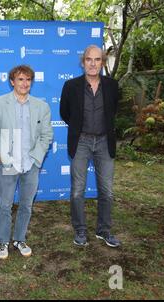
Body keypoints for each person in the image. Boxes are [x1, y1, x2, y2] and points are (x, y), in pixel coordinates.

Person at [0, 65, 53, 260]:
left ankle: (20, 238)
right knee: (5, 205)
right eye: (20, 79)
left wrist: (36, 158)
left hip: (31, 164)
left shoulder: (42, 106)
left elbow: (47, 135)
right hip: (8, 163)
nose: (24, 83)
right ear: (12, 81)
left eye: (28, 80)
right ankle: (3, 241)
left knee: (26, 205)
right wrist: (3, 156)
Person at [60, 45, 121, 248]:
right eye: (89, 59)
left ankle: (103, 230)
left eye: (97, 60)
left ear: (102, 63)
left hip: (105, 142)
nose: (93, 63)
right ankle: (80, 230)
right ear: (83, 62)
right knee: (77, 190)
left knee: (107, 191)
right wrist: (80, 128)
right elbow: (65, 113)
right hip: (81, 141)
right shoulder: (70, 86)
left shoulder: (112, 85)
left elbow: (114, 110)